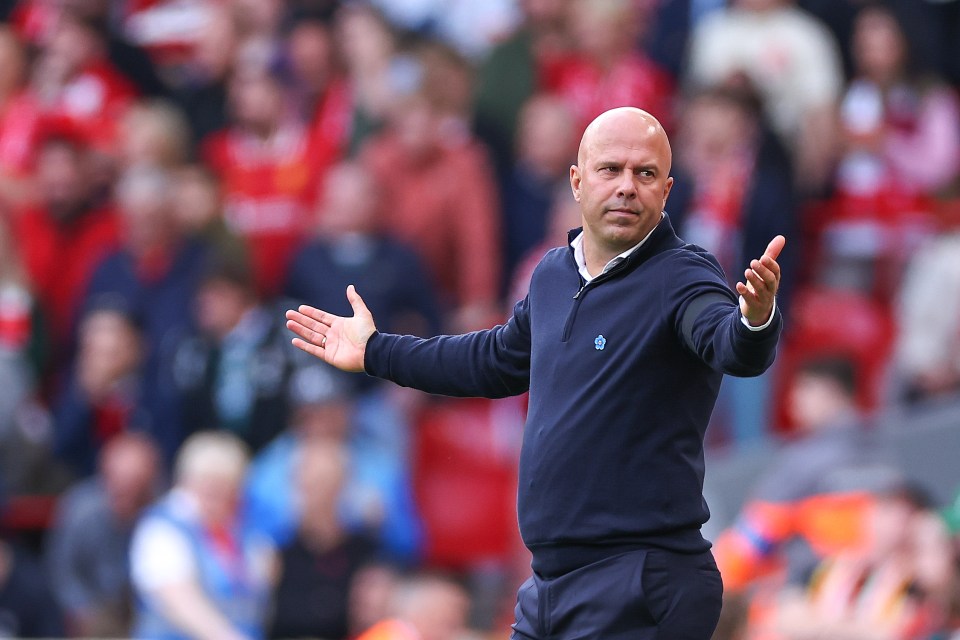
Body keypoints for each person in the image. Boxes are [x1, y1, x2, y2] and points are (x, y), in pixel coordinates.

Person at [287, 107, 786, 638]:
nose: (626, 187)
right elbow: (492, 361)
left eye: (644, 174)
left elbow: (729, 343)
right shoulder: (553, 274)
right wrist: (375, 351)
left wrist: (754, 321)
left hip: (641, 580)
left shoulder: (683, 275)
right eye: (609, 169)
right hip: (550, 584)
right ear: (576, 180)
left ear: (666, 190)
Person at [129, 431, 275, 640]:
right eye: (207, 484)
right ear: (186, 481)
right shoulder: (161, 529)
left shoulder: (246, 530)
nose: (216, 495)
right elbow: (178, 600)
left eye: (225, 486)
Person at [45, 433, 162, 637]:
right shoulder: (79, 509)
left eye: (135, 484)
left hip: (151, 603)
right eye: (118, 482)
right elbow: (61, 570)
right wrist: (82, 609)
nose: (125, 492)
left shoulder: (164, 511)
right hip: (96, 606)